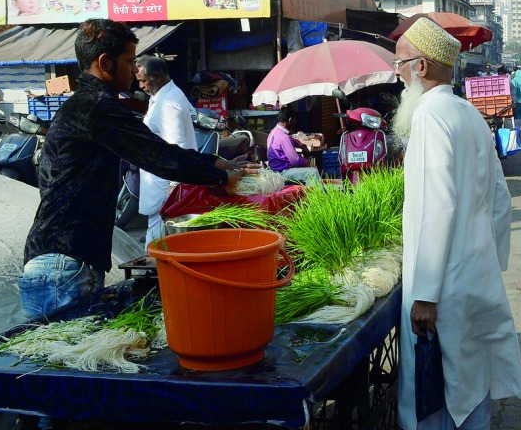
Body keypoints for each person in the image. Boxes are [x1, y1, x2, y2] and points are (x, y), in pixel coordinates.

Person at [353, 17, 521, 430]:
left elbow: (432, 208)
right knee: (471, 388)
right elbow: (500, 199)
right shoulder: (469, 113)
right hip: (476, 277)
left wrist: (424, 294)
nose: (396, 74)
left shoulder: (430, 116)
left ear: (421, 67)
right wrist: (489, 264)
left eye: (399, 64)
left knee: (429, 394)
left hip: (443, 286)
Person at [21, 19, 250, 319]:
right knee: (62, 362)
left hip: (64, 258)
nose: (133, 71)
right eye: (129, 62)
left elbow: (153, 147)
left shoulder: (89, 104)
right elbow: (154, 153)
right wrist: (219, 175)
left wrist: (216, 162)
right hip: (63, 263)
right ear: (105, 63)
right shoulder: (97, 108)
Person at [135, 56, 198, 247]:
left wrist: (174, 183)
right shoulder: (168, 94)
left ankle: (150, 271)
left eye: (143, 81)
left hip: (164, 181)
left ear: (158, 76)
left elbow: (176, 143)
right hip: (161, 177)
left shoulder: (168, 103)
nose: (140, 86)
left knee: (156, 232)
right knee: (161, 231)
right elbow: (192, 114)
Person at [266, 106, 323, 185]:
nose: (295, 122)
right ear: (290, 120)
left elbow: (293, 141)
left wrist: (301, 145)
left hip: (276, 170)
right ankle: (318, 196)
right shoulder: (284, 137)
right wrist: (307, 163)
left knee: (310, 169)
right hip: (282, 173)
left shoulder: (274, 132)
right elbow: (295, 160)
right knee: (313, 172)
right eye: (294, 120)